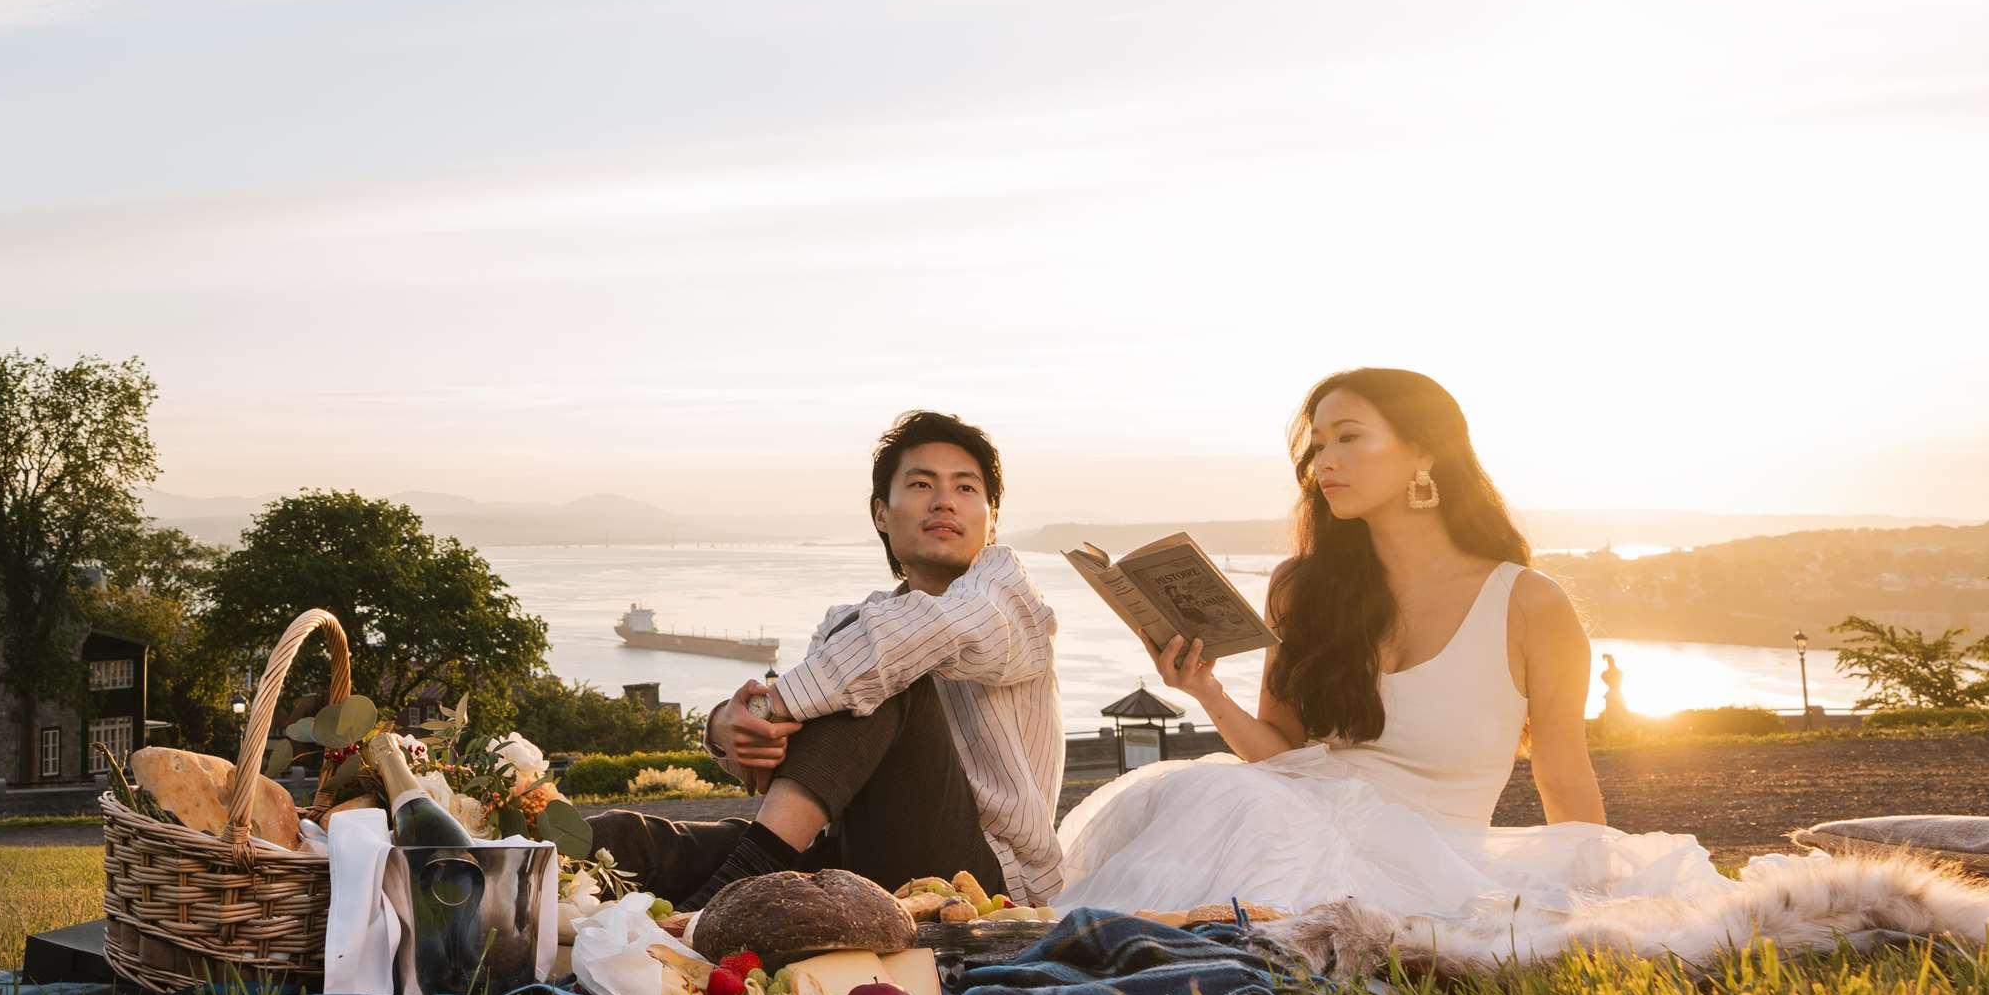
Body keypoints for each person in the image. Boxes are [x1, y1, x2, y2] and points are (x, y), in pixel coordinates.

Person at [1057, 368, 1715, 920]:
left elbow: (1564, 776)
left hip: (1430, 863)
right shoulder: (1301, 588)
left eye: (1349, 438)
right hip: (1286, 820)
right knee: (1219, 796)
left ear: (1424, 452)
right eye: (1317, 445)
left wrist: (1598, 904)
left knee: (1248, 834)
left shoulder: (1528, 604)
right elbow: (1281, 758)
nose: (1324, 462)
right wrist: (1206, 692)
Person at [589, 410, 1064, 907]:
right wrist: (725, 727)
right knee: (628, 842)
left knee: (878, 672)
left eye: (966, 488)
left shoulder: (1009, 594)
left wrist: (769, 706)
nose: (945, 500)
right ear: (882, 514)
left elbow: (901, 643)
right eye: (922, 484)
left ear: (991, 520)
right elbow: (803, 762)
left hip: (990, 879)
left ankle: (717, 905)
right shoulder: (853, 624)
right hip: (860, 852)